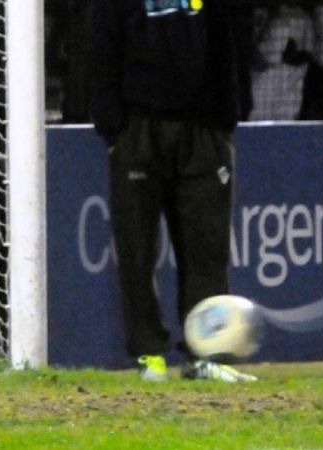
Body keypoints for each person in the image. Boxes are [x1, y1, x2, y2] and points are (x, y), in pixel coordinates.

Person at [87, 0, 257, 382]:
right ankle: (151, 356)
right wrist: (114, 130)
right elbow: (100, 50)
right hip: (138, 132)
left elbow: (226, 43)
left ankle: (208, 355)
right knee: (137, 251)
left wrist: (227, 119)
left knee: (207, 250)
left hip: (203, 132)